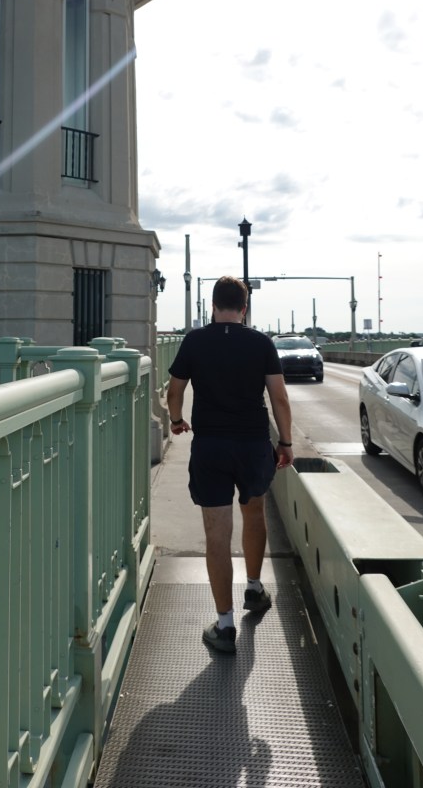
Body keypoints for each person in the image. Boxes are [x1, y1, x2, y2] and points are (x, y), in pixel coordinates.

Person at [166, 275, 294, 654]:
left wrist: (176, 420)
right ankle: (253, 589)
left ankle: (224, 626)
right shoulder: (261, 343)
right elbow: (280, 398)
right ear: (244, 307)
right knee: (254, 513)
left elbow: (175, 390)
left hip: (211, 447)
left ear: (212, 305)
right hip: (253, 444)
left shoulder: (195, 341)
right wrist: (285, 442)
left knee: (217, 534)